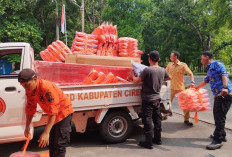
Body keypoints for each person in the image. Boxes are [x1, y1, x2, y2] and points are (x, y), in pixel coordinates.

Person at [18, 69, 74, 157]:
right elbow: (30, 108)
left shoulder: (46, 88)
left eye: (27, 85)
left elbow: (54, 111)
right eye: (23, 86)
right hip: (52, 115)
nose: (26, 88)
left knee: (60, 144)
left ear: (35, 79)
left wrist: (46, 132)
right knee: (52, 144)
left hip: (63, 113)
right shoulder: (29, 90)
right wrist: (27, 126)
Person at [194, 51, 232, 150]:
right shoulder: (210, 68)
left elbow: (224, 75)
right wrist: (196, 87)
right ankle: (222, 135)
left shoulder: (217, 64)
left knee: (219, 117)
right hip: (218, 95)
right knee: (218, 115)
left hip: (224, 94)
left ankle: (217, 141)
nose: (201, 60)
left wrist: (224, 87)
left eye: (202, 58)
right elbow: (206, 80)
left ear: (207, 57)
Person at [133, 50, 170, 149]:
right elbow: (169, 78)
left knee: (147, 120)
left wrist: (132, 75)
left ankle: (148, 142)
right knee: (157, 118)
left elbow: (136, 81)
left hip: (147, 99)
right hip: (157, 98)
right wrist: (161, 79)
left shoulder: (147, 70)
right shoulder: (163, 70)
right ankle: (158, 139)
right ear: (158, 59)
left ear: (149, 59)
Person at [166, 51, 195, 126]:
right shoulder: (169, 65)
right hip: (171, 87)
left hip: (180, 88)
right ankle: (165, 116)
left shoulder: (183, 65)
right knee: (167, 103)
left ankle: (186, 119)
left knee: (185, 104)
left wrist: (192, 82)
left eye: (171, 56)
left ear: (175, 57)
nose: (170, 57)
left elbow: (190, 73)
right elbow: (165, 74)